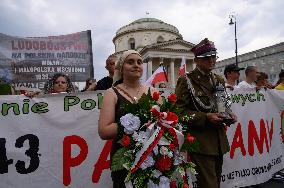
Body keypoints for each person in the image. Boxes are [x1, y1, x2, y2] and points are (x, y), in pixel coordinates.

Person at [175, 38, 236, 188]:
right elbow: (179, 112)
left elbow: (222, 106)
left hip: (218, 140)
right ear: (196, 60)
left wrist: (229, 114)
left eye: (214, 57)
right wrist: (205, 117)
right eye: (207, 58)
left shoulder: (218, 80)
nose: (211, 60)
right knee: (209, 185)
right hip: (200, 141)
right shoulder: (187, 80)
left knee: (215, 183)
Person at [98, 50, 159, 188]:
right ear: (121, 68)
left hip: (153, 156)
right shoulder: (111, 93)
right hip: (124, 159)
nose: (136, 65)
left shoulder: (153, 92)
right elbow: (104, 131)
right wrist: (136, 121)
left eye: (139, 62)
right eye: (130, 62)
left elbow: (164, 122)